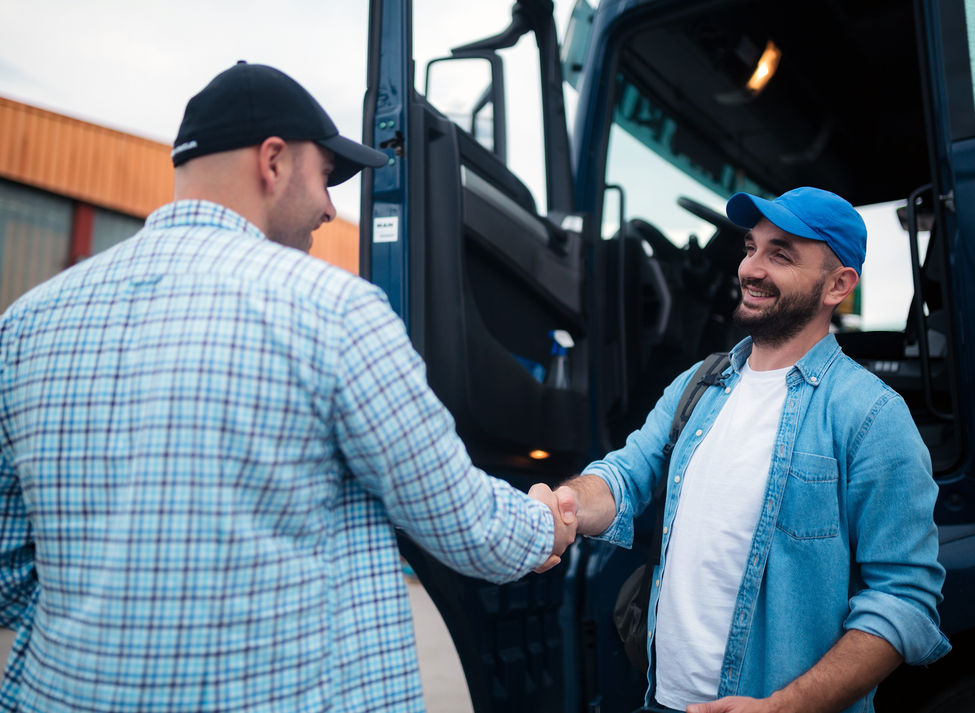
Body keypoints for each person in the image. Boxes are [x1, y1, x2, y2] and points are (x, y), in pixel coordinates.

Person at [0, 62, 574, 712]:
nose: (330, 207)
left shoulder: (24, 324)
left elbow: (7, 568)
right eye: (326, 177)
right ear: (272, 161)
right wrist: (547, 523)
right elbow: (462, 522)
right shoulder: (332, 308)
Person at [530, 187, 949, 713]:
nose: (751, 268)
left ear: (837, 285)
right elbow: (625, 474)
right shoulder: (700, 383)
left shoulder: (871, 417)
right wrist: (564, 505)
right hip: (663, 702)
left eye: (781, 254)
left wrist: (785, 706)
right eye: (751, 247)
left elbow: (904, 600)